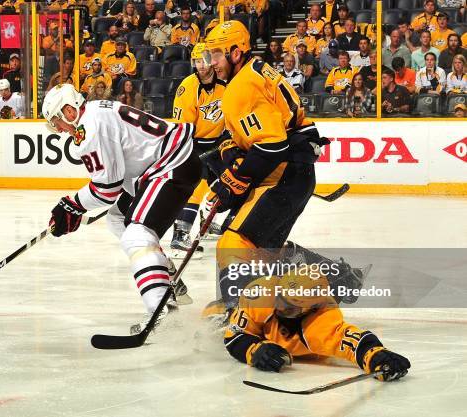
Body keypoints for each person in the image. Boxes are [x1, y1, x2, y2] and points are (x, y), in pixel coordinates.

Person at [203, 21, 363, 321]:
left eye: (216, 54)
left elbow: (271, 146)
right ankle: (340, 277)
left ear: (236, 53)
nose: (211, 62)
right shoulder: (257, 69)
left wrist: (235, 181)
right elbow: (248, 135)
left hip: (284, 174)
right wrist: (231, 153)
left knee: (234, 242)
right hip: (295, 173)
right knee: (264, 250)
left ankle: (239, 316)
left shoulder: (242, 86)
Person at [41, 84, 201, 333]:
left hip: (171, 165)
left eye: (57, 121)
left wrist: (72, 205)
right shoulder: (94, 110)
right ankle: (166, 274)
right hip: (163, 163)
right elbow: (113, 185)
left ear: (69, 111)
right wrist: (75, 207)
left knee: (137, 235)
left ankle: (163, 313)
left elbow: (107, 190)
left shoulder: (90, 128)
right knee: (116, 219)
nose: (58, 129)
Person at [223, 271, 410, 383]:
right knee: (215, 313)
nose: (278, 308)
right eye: (280, 298)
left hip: (300, 349)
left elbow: (354, 341)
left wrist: (376, 356)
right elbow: (234, 335)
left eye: (288, 308)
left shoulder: (320, 322)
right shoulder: (263, 293)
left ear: (310, 309)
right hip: (248, 324)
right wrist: (255, 350)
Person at [170, 42, 227, 257]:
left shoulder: (224, 83)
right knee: (197, 187)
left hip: (219, 142)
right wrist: (183, 151)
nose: (200, 65)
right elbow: (181, 126)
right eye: (196, 61)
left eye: (203, 60)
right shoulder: (188, 87)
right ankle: (180, 237)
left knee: (228, 180)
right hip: (194, 143)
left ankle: (209, 216)